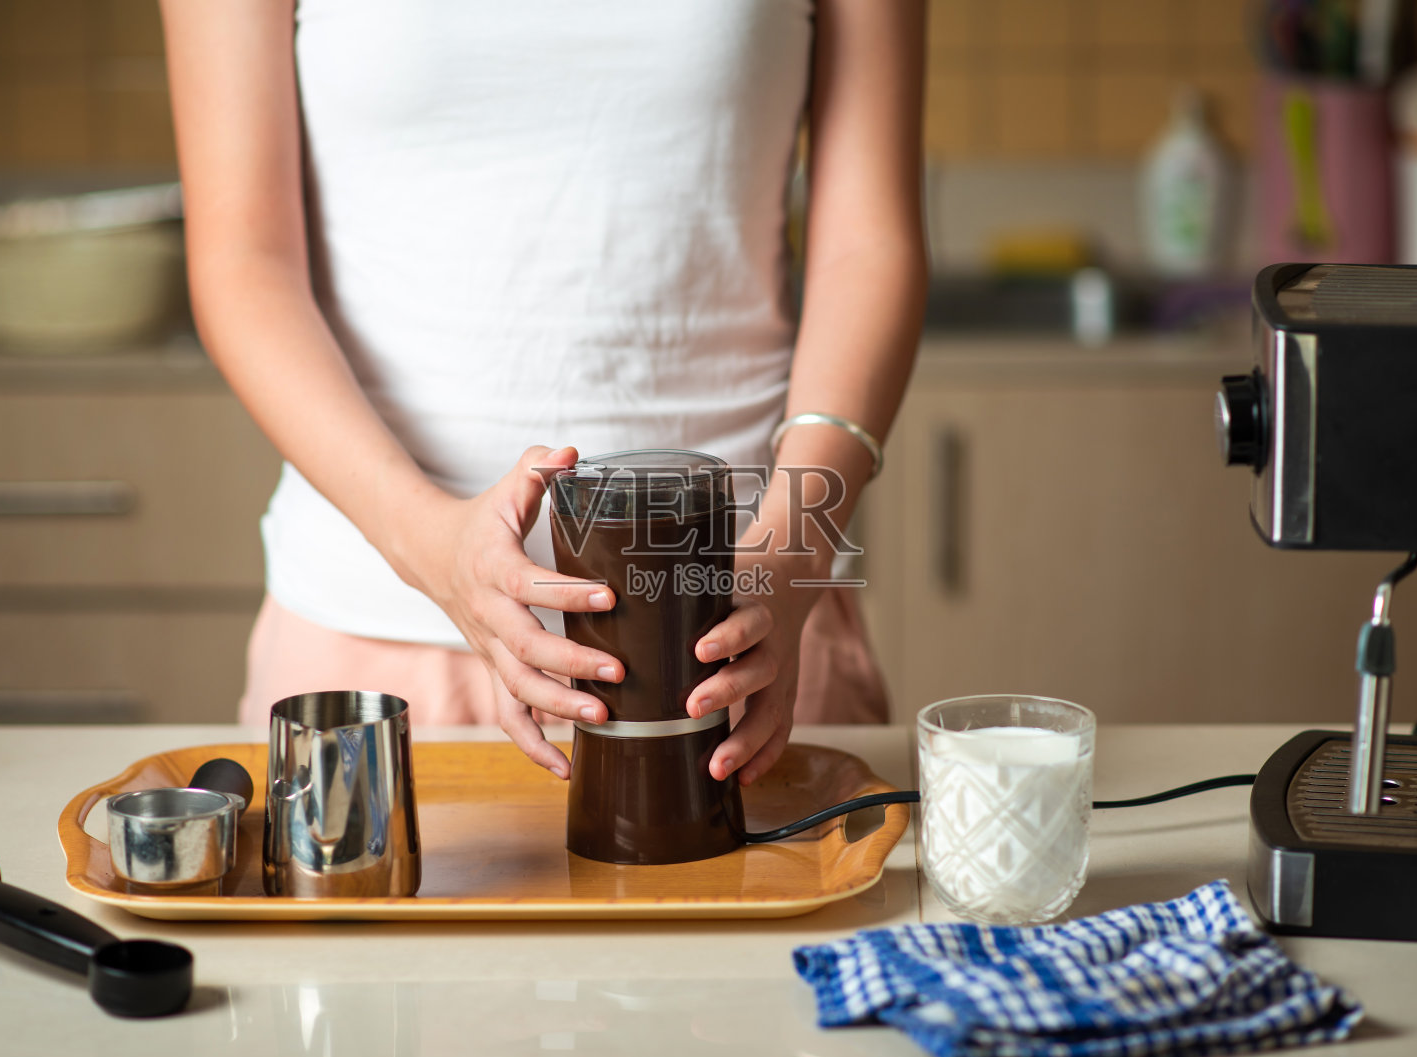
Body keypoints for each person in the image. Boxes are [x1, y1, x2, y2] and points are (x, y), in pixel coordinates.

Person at [159, 0, 926, 786]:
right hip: (371, 646)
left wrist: (791, 552)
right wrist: (431, 545)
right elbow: (243, 259)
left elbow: (869, 245)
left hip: (740, 632)